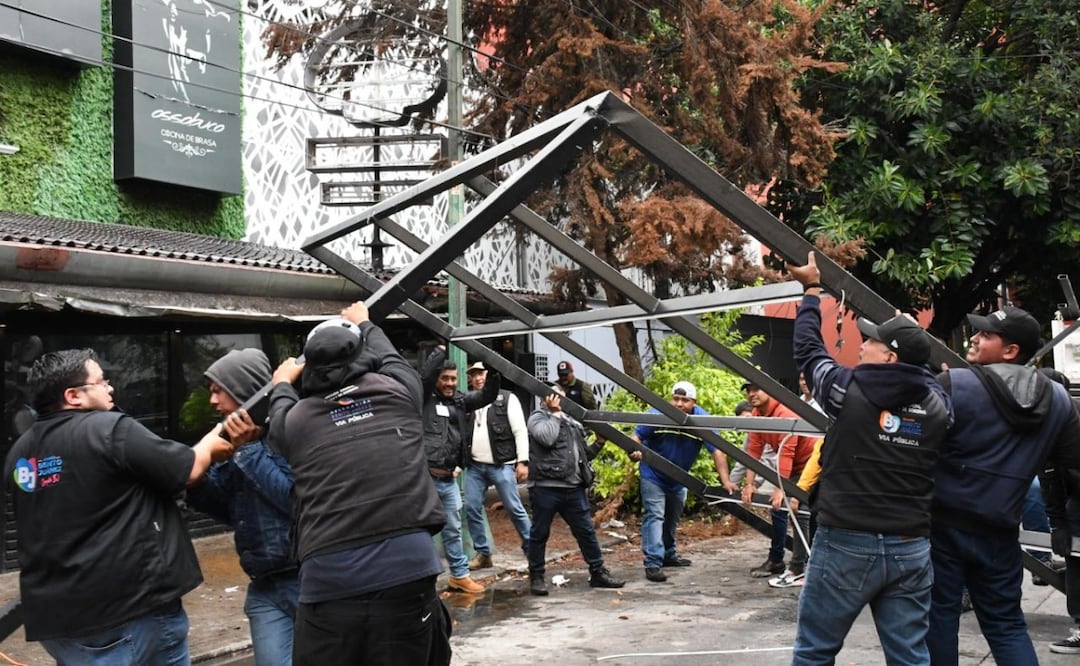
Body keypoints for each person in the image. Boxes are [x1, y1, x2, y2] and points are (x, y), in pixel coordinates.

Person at [5, 348, 242, 664]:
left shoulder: (21, 454)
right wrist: (212, 441)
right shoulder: (110, 429)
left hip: (59, 623)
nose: (111, 387)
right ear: (73, 396)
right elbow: (187, 469)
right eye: (102, 381)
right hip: (127, 614)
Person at [788, 251, 953, 665]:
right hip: (910, 546)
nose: (862, 346)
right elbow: (925, 379)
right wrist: (909, 335)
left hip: (846, 540)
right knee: (910, 657)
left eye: (872, 342)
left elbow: (809, 350)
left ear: (890, 357)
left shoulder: (846, 390)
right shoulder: (939, 406)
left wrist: (811, 291)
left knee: (815, 652)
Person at [268, 302, 450, 665]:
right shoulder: (400, 392)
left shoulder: (297, 422)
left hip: (331, 582)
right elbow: (391, 359)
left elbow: (278, 414)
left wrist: (281, 382)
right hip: (407, 572)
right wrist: (366, 323)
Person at [926, 305, 1080, 664]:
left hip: (942, 527)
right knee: (1006, 625)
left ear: (1011, 350)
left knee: (938, 620)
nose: (974, 338)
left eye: (985, 335)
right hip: (1000, 529)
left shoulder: (955, 384)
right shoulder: (1058, 400)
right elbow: (1073, 465)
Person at [186, 348, 298, 666]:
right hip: (264, 585)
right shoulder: (233, 443)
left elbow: (294, 501)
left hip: (305, 579)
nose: (212, 401)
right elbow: (227, 508)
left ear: (244, 390)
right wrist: (197, 480)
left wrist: (249, 451)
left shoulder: (287, 431)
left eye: (218, 390)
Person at [525, 384, 625, 596]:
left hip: (573, 488)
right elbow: (547, 438)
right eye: (554, 397)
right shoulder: (538, 418)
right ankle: (536, 576)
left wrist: (598, 444)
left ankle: (598, 572)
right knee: (539, 533)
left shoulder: (572, 422)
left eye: (562, 398)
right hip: (546, 487)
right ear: (545, 399)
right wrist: (554, 413)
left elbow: (582, 456)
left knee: (586, 532)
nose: (559, 401)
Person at [630, 381, 729, 583]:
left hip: (678, 477)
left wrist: (725, 481)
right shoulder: (657, 414)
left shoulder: (701, 419)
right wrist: (634, 450)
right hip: (653, 474)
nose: (679, 404)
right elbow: (636, 436)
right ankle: (653, 563)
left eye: (685, 400)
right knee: (655, 515)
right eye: (676, 399)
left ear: (694, 402)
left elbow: (717, 450)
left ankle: (668, 554)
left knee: (672, 517)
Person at [420, 348, 500, 593]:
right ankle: (422, 583)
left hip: (448, 480)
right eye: (444, 378)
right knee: (421, 533)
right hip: (425, 480)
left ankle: (459, 575)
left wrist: (493, 366)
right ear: (437, 378)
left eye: (453, 379)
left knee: (453, 529)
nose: (449, 383)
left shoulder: (460, 401)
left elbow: (487, 395)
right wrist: (439, 351)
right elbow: (423, 378)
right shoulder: (423, 398)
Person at [740, 382, 818, 586]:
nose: (751, 394)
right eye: (748, 391)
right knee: (782, 510)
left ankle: (798, 568)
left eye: (757, 389)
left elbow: (786, 453)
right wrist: (750, 484)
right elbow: (753, 452)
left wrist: (780, 489)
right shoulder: (757, 415)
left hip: (811, 465)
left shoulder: (785, 412)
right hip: (791, 468)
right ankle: (781, 561)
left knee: (799, 511)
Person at [463, 361, 532, 570]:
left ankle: (532, 549)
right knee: (472, 506)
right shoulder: (468, 401)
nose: (477, 378)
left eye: (481, 373)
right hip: (475, 466)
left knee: (514, 508)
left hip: (502, 465)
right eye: (473, 374)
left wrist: (523, 461)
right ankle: (483, 553)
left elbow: (520, 430)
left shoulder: (507, 398)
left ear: (488, 375)